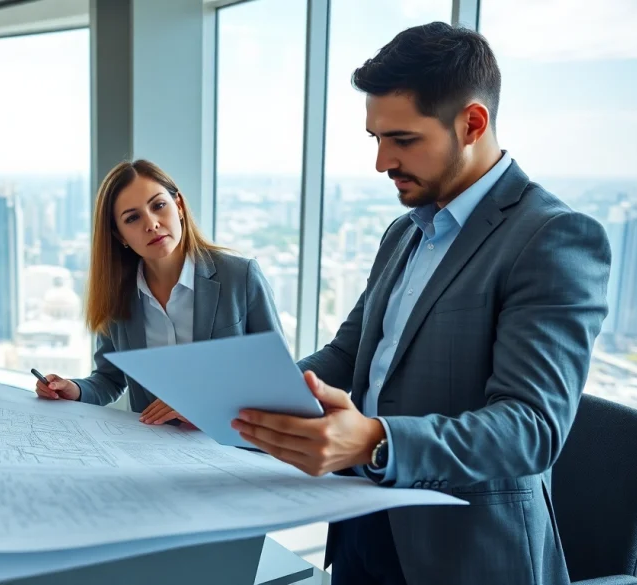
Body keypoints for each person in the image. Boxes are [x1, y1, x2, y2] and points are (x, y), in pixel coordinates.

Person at [230, 22, 611, 585]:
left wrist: (378, 441)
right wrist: (233, 400)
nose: (382, 162)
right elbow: (348, 353)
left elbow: (531, 428)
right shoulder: (405, 232)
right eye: (376, 139)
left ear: (472, 124)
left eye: (402, 140)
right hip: (362, 521)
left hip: (465, 553)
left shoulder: (552, 237)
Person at [35, 159, 284, 424]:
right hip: (153, 453)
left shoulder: (240, 276)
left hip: (231, 450)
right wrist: (75, 390)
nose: (151, 224)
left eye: (158, 206)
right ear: (120, 236)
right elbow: (110, 379)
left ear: (179, 206)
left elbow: (277, 379)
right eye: (132, 218)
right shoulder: (117, 295)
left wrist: (207, 405)